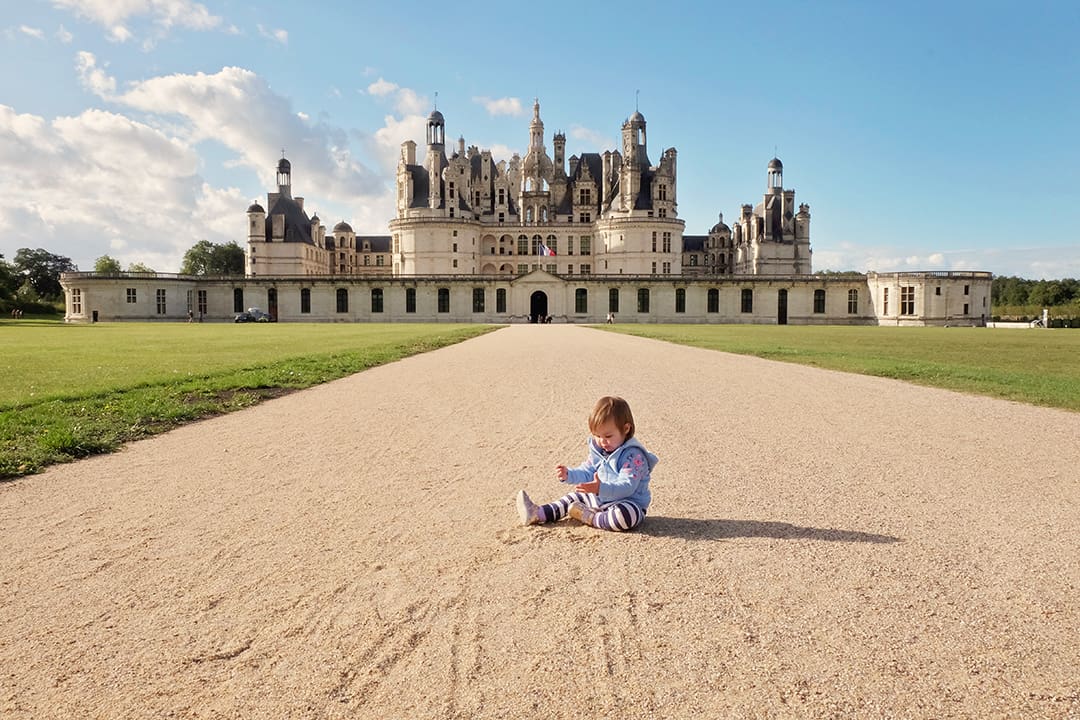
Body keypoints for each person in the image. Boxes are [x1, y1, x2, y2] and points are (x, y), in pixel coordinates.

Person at [516, 396, 658, 532]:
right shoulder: (600, 450)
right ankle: (538, 513)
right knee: (574, 497)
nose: (602, 441)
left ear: (626, 429)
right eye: (597, 436)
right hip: (599, 499)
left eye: (608, 436)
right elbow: (588, 470)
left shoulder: (634, 457)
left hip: (627, 502)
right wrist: (569, 474)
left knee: (626, 516)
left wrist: (600, 488)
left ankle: (593, 518)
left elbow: (627, 487)